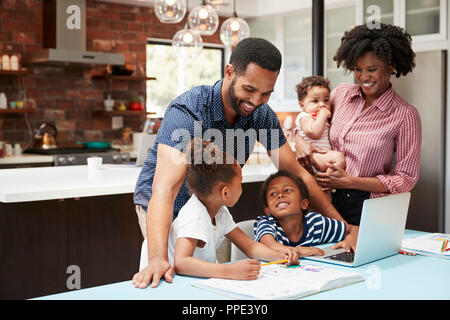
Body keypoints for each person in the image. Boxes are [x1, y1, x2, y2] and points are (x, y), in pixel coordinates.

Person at [132, 37, 351, 289]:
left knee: (212, 279)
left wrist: (345, 228)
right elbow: (165, 189)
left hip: (211, 206)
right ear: (229, 72)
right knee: (171, 275)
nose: (256, 101)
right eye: (249, 89)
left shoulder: (261, 115)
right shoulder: (189, 109)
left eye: (266, 93)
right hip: (166, 206)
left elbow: (295, 172)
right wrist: (157, 259)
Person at [296, 23, 422, 226]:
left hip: (364, 204)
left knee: (358, 256)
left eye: (372, 69)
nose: (364, 77)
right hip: (323, 195)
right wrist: (299, 140)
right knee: (323, 255)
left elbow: (405, 179)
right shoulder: (340, 94)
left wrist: (350, 181)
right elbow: (309, 122)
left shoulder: (405, 115)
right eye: (358, 69)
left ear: (391, 66)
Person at [134, 139, 298, 284]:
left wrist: (280, 256)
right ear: (225, 192)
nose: (242, 187)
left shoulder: (220, 212)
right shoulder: (195, 215)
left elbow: (249, 246)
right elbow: (182, 263)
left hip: (190, 281)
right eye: (240, 182)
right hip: (167, 283)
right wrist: (230, 271)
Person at [254, 170, 357, 257]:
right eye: (273, 193)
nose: (280, 195)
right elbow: (270, 246)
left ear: (304, 203)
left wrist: (351, 238)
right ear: (268, 211)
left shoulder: (316, 223)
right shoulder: (266, 223)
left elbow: (354, 228)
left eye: (287, 190)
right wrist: (297, 251)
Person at [294, 76, 346, 192]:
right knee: (339, 157)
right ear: (302, 105)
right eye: (315, 101)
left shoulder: (321, 119)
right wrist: (323, 115)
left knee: (325, 198)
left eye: (326, 100)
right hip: (312, 156)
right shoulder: (305, 117)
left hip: (321, 158)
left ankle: (325, 184)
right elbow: (314, 133)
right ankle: (326, 180)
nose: (321, 104)